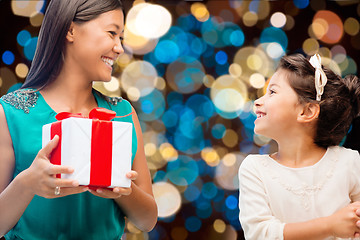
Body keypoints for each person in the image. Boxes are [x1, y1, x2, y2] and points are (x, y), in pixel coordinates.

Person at [0, 0, 158, 239]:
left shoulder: (123, 114)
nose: (119, 48)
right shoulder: (12, 113)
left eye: (121, 38)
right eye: (112, 33)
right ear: (71, 30)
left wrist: (124, 191)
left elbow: (148, 221)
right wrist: (28, 183)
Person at [238, 53, 360, 239]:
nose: (257, 101)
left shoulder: (350, 162)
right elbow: (260, 233)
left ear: (307, 111)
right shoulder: (254, 169)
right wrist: (330, 226)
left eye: (272, 92)